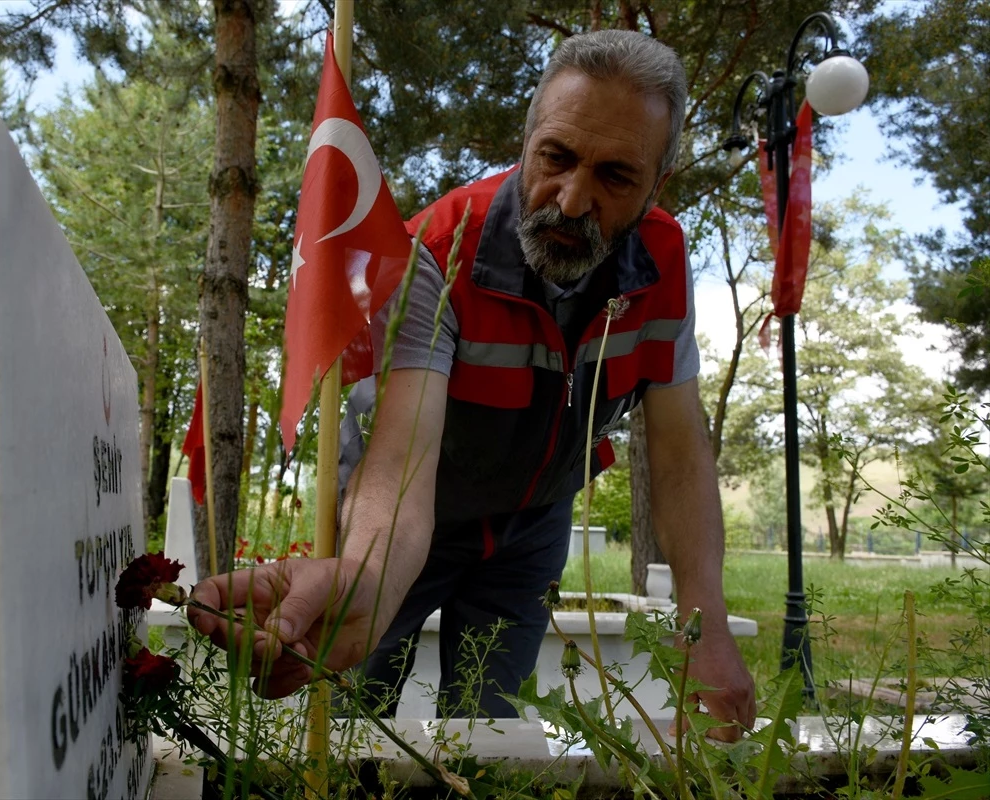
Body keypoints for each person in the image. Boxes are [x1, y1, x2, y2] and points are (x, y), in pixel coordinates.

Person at [188, 29, 756, 741]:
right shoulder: (436, 251)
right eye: (556, 158)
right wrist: (365, 579)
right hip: (405, 519)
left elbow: (677, 452)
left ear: (656, 186)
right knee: (361, 708)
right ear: (525, 145)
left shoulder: (665, 258)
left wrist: (702, 625)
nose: (573, 201)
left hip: (533, 526)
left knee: (491, 729)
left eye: (615, 177)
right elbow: (399, 460)